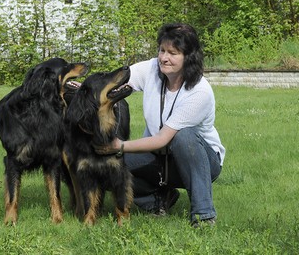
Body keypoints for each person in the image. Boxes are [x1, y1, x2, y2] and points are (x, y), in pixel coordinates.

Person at [95, 23, 225, 227]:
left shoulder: (200, 92)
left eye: (173, 53)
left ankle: (203, 215)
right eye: (162, 50)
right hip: (158, 157)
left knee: (184, 136)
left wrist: (119, 146)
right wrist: (86, 91)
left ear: (189, 57)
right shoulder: (151, 69)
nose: (164, 58)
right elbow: (116, 81)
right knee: (104, 166)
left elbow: (163, 139)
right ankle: (157, 200)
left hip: (200, 161)